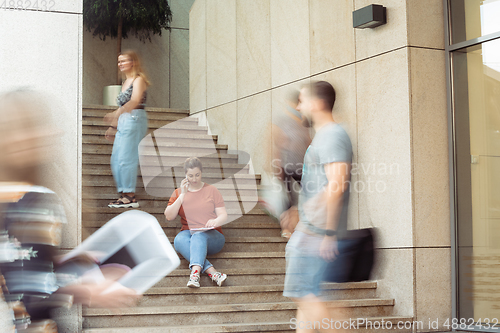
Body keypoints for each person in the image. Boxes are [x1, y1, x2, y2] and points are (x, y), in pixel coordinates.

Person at [0, 90, 139, 332]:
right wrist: (88, 290)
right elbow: (31, 288)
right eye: (38, 126)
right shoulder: (34, 199)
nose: (54, 132)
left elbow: (22, 268)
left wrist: (75, 265)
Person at [283, 81, 352, 332]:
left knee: (300, 291)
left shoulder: (333, 135)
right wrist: (299, 212)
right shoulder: (323, 136)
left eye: (302, 100)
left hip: (318, 232)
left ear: (318, 103)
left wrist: (329, 234)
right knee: (307, 294)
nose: (299, 106)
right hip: (313, 227)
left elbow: (337, 184)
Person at [164, 157, 228, 288]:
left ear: (202, 173)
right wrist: (182, 195)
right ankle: (213, 273)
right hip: (188, 232)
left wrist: (215, 220)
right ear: (185, 176)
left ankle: (195, 274)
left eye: (197, 175)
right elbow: (169, 216)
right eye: (190, 176)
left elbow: (223, 215)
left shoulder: (212, 190)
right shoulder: (178, 192)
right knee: (178, 240)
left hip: (212, 235)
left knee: (198, 235)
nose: (194, 179)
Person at [104, 50, 149, 208]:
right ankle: (124, 194)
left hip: (135, 118)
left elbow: (135, 101)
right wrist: (113, 127)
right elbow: (123, 107)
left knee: (126, 158)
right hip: (125, 120)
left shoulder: (139, 80)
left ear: (133, 62)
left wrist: (115, 113)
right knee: (116, 159)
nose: (120, 64)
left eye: (123, 61)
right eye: (119, 61)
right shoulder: (126, 82)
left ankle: (130, 196)